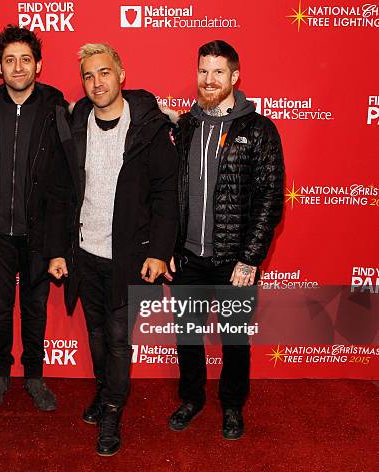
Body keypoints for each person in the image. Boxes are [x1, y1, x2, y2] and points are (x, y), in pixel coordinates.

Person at [47, 43, 178, 456]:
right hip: (85, 253)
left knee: (119, 340)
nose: (96, 82)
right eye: (88, 75)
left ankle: (111, 412)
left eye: (104, 72)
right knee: (98, 333)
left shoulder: (149, 128)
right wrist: (57, 250)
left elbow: (166, 197)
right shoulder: (75, 123)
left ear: (121, 74)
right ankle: (105, 392)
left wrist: (159, 251)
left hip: (129, 258)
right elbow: (61, 194)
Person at [165, 40, 284, 440]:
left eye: (218, 71)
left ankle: (232, 406)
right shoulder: (186, 128)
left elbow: (270, 198)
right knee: (188, 336)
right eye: (203, 71)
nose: (209, 79)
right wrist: (171, 249)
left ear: (234, 76)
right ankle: (192, 398)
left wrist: (250, 258)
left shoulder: (259, 129)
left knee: (235, 341)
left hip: (236, 262)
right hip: (189, 259)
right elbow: (171, 194)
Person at [0, 25, 68, 411]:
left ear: (38, 65)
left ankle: (34, 377)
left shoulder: (55, 104)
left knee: (35, 308)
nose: (18, 66)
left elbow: (64, 176)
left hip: (39, 234)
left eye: (25, 59)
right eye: (10, 60)